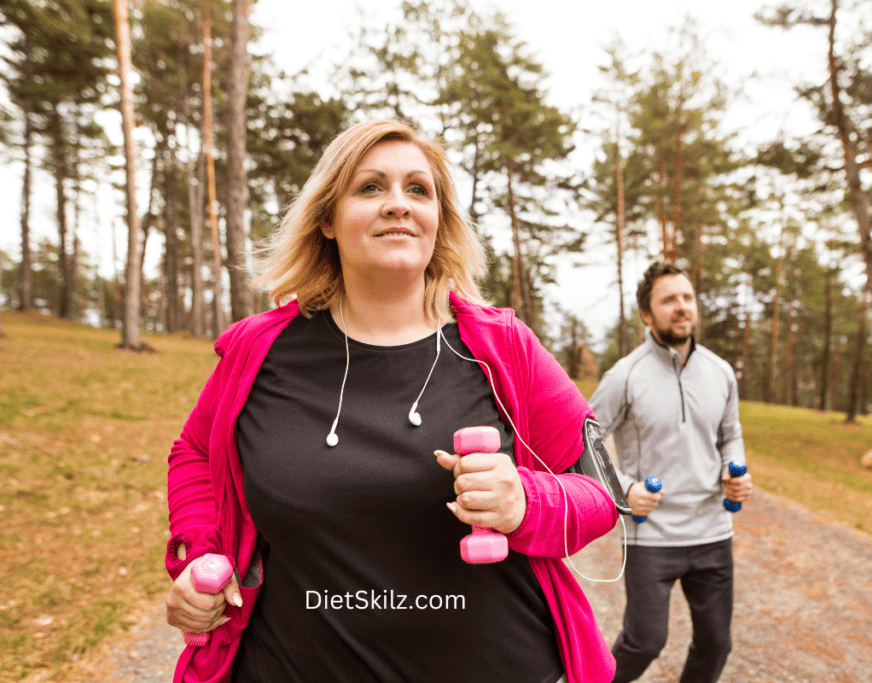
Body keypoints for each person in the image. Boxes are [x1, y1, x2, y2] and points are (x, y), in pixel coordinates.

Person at [163, 119, 619, 683]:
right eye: (371, 187)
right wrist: (201, 557)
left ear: (437, 222)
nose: (398, 204)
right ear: (326, 219)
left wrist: (527, 501)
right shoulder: (259, 351)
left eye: (418, 190)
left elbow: (600, 495)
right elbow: (194, 453)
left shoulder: (504, 348)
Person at [588, 261, 753, 683]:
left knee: (717, 643)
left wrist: (738, 471)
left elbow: (730, 433)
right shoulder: (624, 376)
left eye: (686, 297)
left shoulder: (721, 372)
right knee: (645, 643)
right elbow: (584, 444)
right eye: (669, 300)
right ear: (647, 314)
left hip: (713, 532)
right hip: (652, 537)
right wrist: (624, 489)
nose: (681, 307)